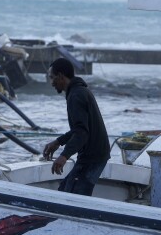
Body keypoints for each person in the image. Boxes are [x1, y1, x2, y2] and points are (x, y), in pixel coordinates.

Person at [42, 57, 110, 196]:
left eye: (52, 77)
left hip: (92, 157)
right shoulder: (79, 91)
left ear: (61, 76)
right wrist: (58, 142)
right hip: (95, 154)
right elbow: (79, 129)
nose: (51, 83)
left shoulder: (76, 95)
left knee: (73, 197)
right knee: (65, 189)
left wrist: (64, 156)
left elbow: (81, 132)